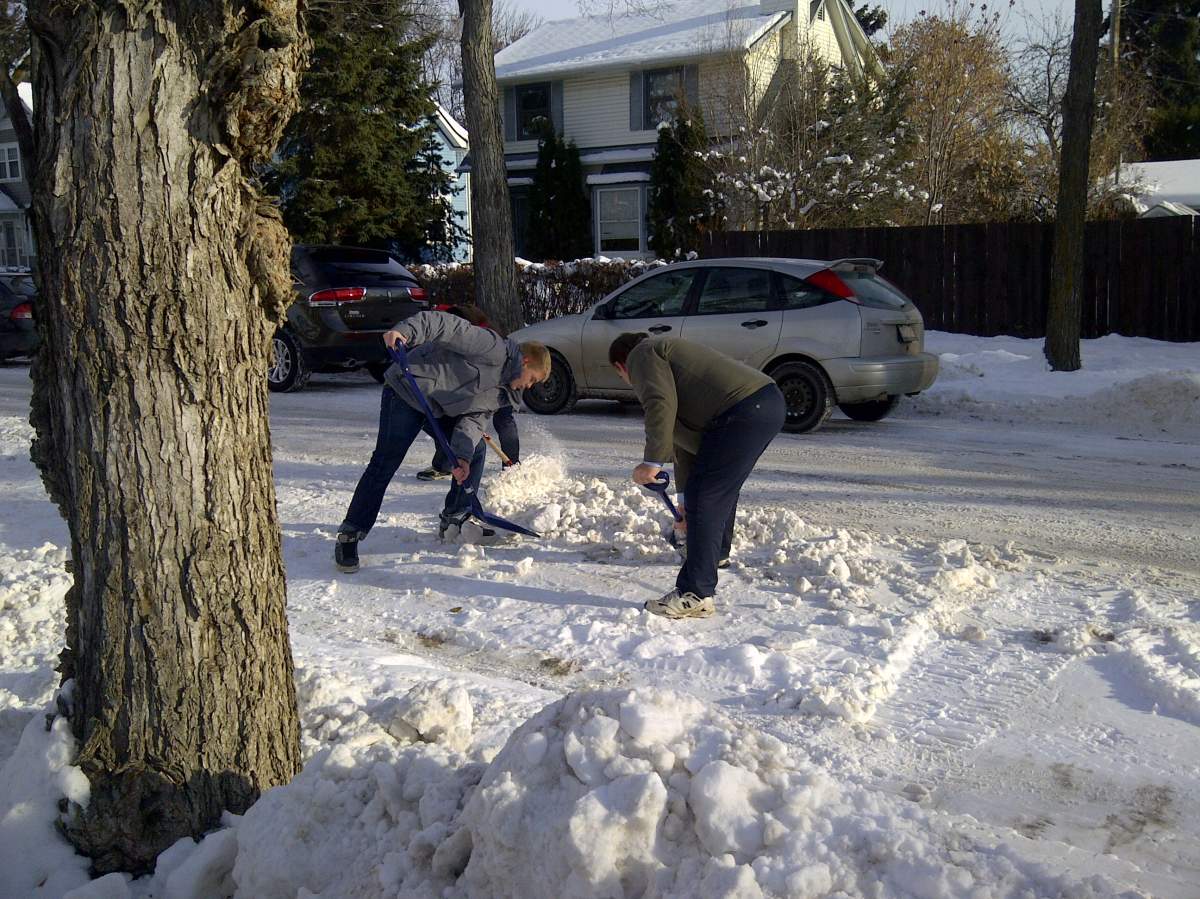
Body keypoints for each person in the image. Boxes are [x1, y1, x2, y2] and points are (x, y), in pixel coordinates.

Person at [335, 310, 550, 573]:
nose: (529, 387)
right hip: (408, 390)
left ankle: (455, 517)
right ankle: (350, 534)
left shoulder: (502, 395)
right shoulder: (492, 348)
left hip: (439, 409)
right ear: (525, 362)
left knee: (476, 450)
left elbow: (472, 421)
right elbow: (446, 325)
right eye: (533, 380)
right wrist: (405, 331)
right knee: (385, 462)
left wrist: (461, 457)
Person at [609, 333, 786, 619]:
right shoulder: (675, 368)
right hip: (763, 404)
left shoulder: (643, 354)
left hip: (744, 409)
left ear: (621, 367)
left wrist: (652, 462)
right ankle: (715, 554)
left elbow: (659, 403)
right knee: (715, 488)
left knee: (708, 495)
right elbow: (690, 448)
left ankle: (697, 593)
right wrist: (683, 502)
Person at [416, 304, 521, 479]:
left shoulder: (480, 338)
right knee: (447, 424)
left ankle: (512, 465)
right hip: (487, 386)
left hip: (501, 385)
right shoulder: (474, 327)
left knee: (503, 420)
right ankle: (443, 464)